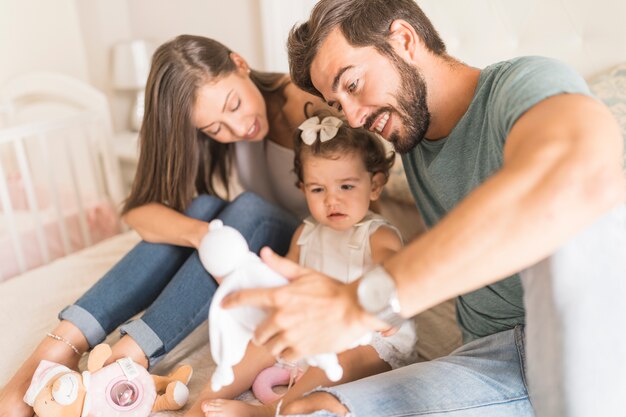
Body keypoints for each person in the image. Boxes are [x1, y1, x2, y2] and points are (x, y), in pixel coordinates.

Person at [220, 1, 626, 417]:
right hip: (489, 361)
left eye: (353, 84)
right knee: (308, 412)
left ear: (405, 40)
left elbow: (580, 174)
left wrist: (359, 303)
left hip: (585, 338)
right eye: (338, 105)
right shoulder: (408, 138)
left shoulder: (523, 83)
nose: (354, 118)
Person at [0, 34, 330, 417]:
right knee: (203, 206)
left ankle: (126, 358)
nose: (237, 129)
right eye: (214, 128)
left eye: (235, 105)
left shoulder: (307, 104)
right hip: (252, 250)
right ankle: (60, 345)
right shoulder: (217, 120)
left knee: (248, 209)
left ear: (240, 63)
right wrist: (203, 235)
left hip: (304, 248)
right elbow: (140, 213)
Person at [200, 111, 417, 417]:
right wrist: (243, 277)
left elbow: (393, 276)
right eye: (318, 189)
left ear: (375, 185)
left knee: (346, 357)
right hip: (314, 331)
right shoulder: (305, 233)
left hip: (372, 339)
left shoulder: (379, 236)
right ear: (302, 189)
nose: (332, 200)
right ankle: (201, 404)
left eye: (346, 186)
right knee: (261, 340)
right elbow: (280, 284)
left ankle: (266, 412)